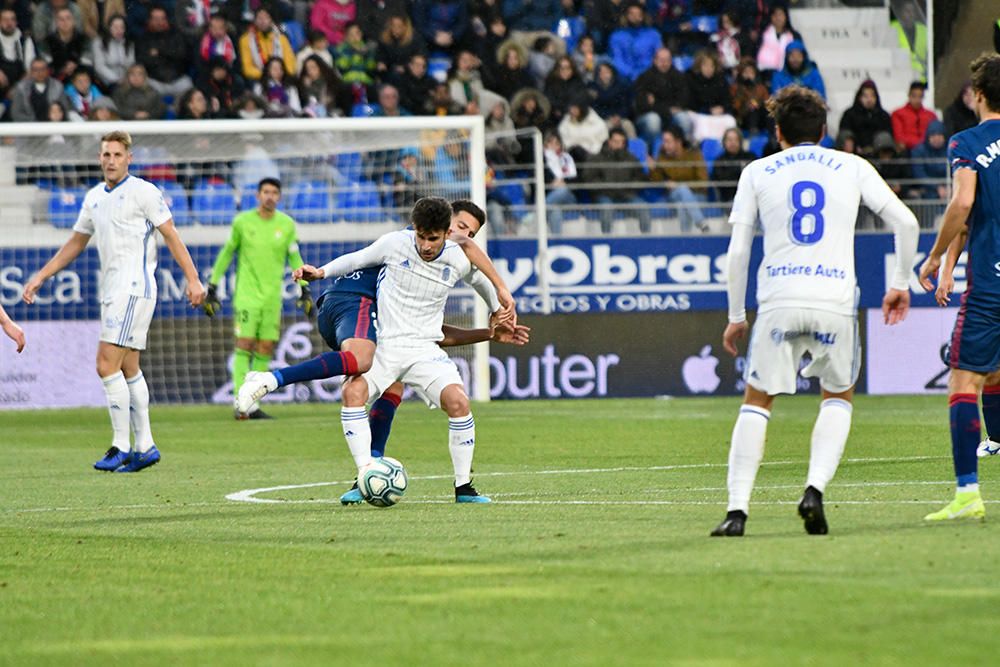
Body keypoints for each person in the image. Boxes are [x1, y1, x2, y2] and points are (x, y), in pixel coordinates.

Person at [711, 85, 919, 537]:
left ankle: (736, 512)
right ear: (824, 131)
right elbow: (907, 221)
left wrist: (735, 315)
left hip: (779, 300)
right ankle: (814, 489)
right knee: (837, 396)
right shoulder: (853, 166)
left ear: (778, 131)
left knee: (757, 402)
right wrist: (900, 284)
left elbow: (738, 251)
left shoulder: (758, 171)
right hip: (835, 300)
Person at [238, 201, 525, 503]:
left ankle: (464, 488)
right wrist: (321, 272)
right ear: (417, 230)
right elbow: (356, 259)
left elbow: (477, 279)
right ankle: (364, 476)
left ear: (444, 234)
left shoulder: (459, 258)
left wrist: (497, 311)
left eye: (434, 238)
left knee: (458, 401)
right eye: (422, 237)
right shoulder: (395, 243)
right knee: (353, 392)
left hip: (424, 350)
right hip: (386, 343)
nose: (427, 246)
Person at [22, 130, 206, 473]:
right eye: (105, 154)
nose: (111, 160)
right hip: (112, 291)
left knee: (105, 365)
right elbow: (75, 243)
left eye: (117, 155)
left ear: (129, 158)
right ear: (99, 158)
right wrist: (41, 276)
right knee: (128, 367)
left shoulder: (144, 192)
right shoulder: (93, 198)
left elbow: (172, 236)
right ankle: (146, 446)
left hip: (133, 288)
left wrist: (193, 279)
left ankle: (120, 445)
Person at [918, 53, 1000, 521]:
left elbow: (963, 203)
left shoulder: (967, 142)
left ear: (979, 95)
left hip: (991, 284)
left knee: (965, 381)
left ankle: (968, 493)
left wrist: (934, 258)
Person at [204, 178, 311, 420]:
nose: (270, 196)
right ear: (257, 195)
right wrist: (212, 285)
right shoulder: (243, 222)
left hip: (272, 299)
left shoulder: (286, 224)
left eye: (274, 192)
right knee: (245, 344)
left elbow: (295, 258)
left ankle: (251, 403)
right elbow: (227, 253)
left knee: (265, 348)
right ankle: (240, 403)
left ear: (279, 197)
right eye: (266, 192)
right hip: (247, 296)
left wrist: (305, 288)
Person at [648, 125, 710, 233]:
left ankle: (685, 238)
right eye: (663, 141)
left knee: (683, 203)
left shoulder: (695, 155)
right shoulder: (662, 156)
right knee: (681, 191)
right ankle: (701, 223)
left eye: (668, 141)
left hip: (697, 195)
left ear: (678, 142)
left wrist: (680, 186)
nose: (664, 144)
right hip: (674, 195)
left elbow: (703, 183)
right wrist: (653, 168)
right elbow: (656, 180)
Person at [590, 128, 652, 234]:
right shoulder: (597, 158)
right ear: (609, 142)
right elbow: (590, 178)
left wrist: (631, 186)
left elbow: (640, 177)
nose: (619, 145)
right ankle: (607, 240)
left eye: (621, 142)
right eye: (616, 141)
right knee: (607, 208)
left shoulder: (631, 158)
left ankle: (646, 240)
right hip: (605, 195)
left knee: (643, 208)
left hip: (626, 195)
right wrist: (605, 186)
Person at [838, 80, 893, 157]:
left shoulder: (883, 116)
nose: (869, 99)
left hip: (877, 154)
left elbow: (888, 134)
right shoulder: (849, 114)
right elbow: (844, 131)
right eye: (866, 96)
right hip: (855, 153)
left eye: (872, 96)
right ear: (859, 97)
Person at [890, 81, 938, 152]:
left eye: (920, 96)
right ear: (909, 95)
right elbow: (899, 137)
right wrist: (919, 144)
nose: (917, 100)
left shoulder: (931, 115)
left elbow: (935, 134)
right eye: (914, 96)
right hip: (907, 150)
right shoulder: (898, 114)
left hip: (928, 151)